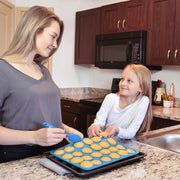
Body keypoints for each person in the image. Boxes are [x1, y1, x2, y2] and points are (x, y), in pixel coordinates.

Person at [0, 6, 83, 163]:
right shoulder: (2, 69)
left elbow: (40, 115)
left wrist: (66, 129)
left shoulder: (43, 70)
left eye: (57, 39)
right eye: (53, 37)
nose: (55, 45)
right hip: (17, 159)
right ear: (33, 28)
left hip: (51, 153)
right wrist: (34, 137)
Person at [88, 64, 152, 139]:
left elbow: (131, 132)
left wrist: (117, 130)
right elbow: (99, 123)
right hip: (106, 143)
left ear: (141, 87)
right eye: (122, 79)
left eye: (129, 81)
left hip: (125, 146)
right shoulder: (110, 98)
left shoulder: (143, 101)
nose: (123, 83)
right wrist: (94, 126)